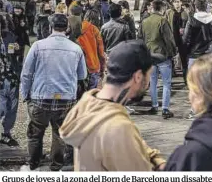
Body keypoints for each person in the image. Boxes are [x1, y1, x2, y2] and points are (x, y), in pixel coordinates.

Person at [60, 40, 166, 171]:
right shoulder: (118, 127)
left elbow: (129, 145)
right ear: (138, 77)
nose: (148, 82)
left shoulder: (90, 106)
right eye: (148, 75)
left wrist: (155, 158)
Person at [20, 14, 87, 171]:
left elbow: (26, 73)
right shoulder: (76, 49)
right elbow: (82, 75)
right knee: (59, 134)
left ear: (50, 27)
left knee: (35, 133)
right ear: (67, 29)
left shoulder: (38, 45)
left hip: (40, 97)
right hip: (66, 99)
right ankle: (56, 166)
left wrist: (26, 94)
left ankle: (33, 164)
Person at [139, 0, 177, 119]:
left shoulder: (144, 21)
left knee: (153, 83)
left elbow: (140, 38)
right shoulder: (163, 20)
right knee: (166, 83)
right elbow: (169, 40)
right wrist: (173, 53)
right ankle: (165, 109)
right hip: (162, 56)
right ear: (162, 8)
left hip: (149, 55)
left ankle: (154, 105)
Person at [0, 14, 20, 147]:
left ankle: (6, 134)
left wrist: (17, 49)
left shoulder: (9, 36)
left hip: (11, 77)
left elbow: (15, 56)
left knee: (12, 108)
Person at [77, 10, 106, 91]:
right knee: (91, 94)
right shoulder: (94, 30)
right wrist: (102, 69)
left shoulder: (76, 28)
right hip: (93, 66)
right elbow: (101, 53)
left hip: (79, 67)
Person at [12, 6, 30, 73]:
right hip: (11, 40)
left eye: (19, 9)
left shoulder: (24, 17)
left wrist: (24, 26)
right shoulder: (10, 17)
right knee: (11, 54)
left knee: (21, 55)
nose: (17, 10)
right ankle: (12, 68)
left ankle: (20, 69)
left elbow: (27, 27)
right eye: (15, 9)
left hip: (21, 39)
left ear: (21, 10)